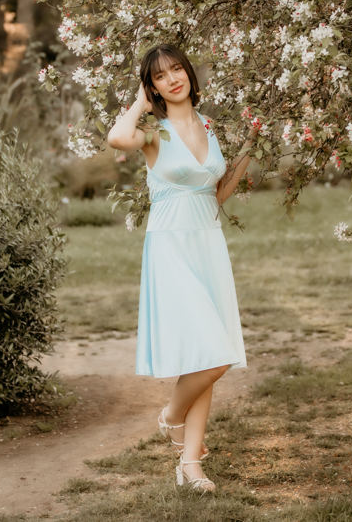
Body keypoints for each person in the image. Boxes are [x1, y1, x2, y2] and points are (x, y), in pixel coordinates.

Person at [107, 43, 256, 493]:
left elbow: (215, 192)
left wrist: (251, 147)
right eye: (159, 76)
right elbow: (117, 139)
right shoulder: (154, 132)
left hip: (208, 242)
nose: (172, 79)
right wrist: (138, 103)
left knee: (206, 353)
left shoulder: (209, 126)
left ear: (189, 73)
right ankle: (172, 417)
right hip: (170, 246)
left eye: (176, 69)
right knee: (215, 356)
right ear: (151, 87)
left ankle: (191, 465)